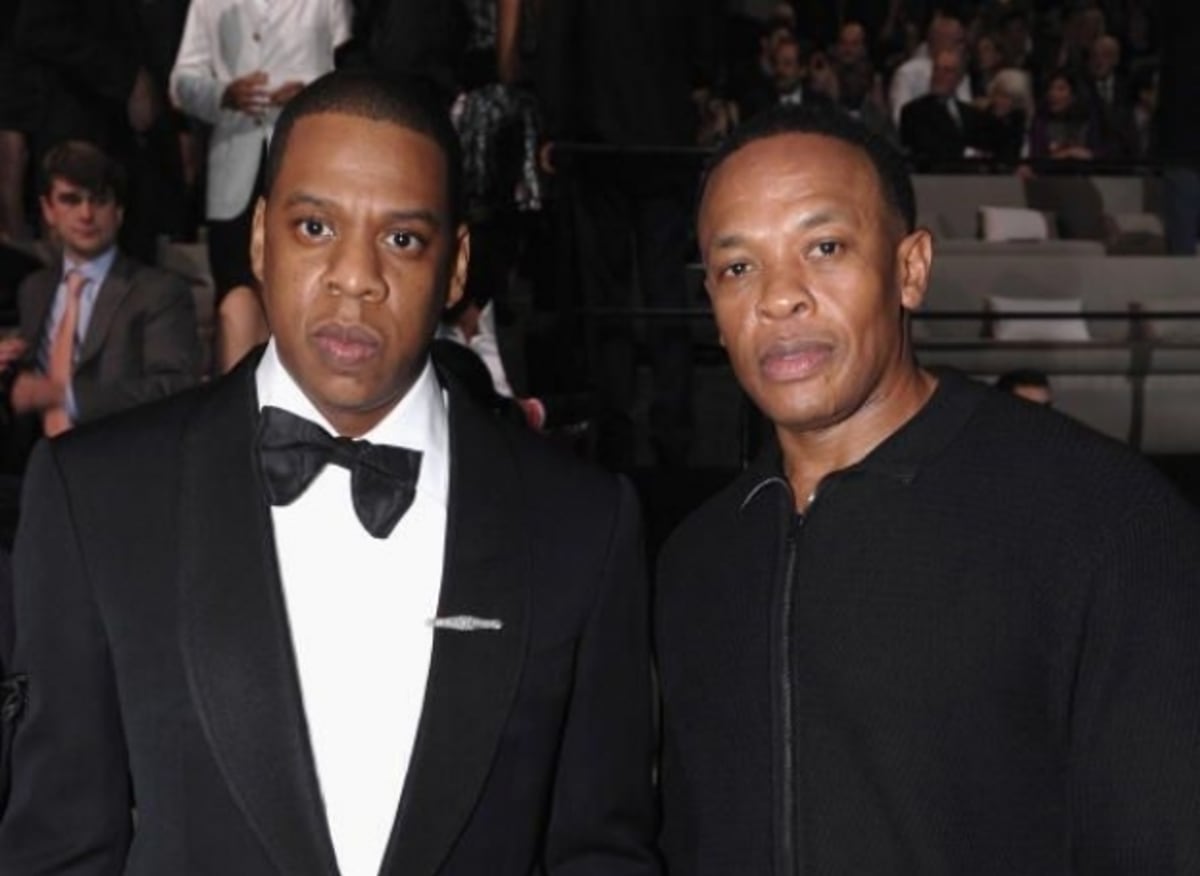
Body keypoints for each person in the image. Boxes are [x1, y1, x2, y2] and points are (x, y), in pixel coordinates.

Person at [0, 71, 660, 875]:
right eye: (315, 227)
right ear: (258, 239)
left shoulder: (582, 525)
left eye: (402, 239)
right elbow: (60, 848)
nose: (356, 276)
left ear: (456, 267)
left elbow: (600, 851)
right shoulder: (97, 498)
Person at [655, 104, 1200, 875]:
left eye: (824, 247)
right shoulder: (696, 562)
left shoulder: (1100, 520)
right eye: (738, 267)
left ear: (909, 269)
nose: (779, 297)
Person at [170, 0, 352, 372]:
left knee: (309, 293)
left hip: (310, 161)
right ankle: (235, 396)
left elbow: (353, 69)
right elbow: (181, 82)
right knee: (235, 295)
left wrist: (311, 96)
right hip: (234, 169)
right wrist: (222, 94)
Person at [0, 141, 199, 458]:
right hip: (34, 463)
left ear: (118, 212)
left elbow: (177, 389)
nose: (86, 214)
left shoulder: (159, 292)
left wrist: (64, 396)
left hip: (121, 460)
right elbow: (23, 391)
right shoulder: (33, 289)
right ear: (48, 210)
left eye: (99, 200)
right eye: (71, 200)